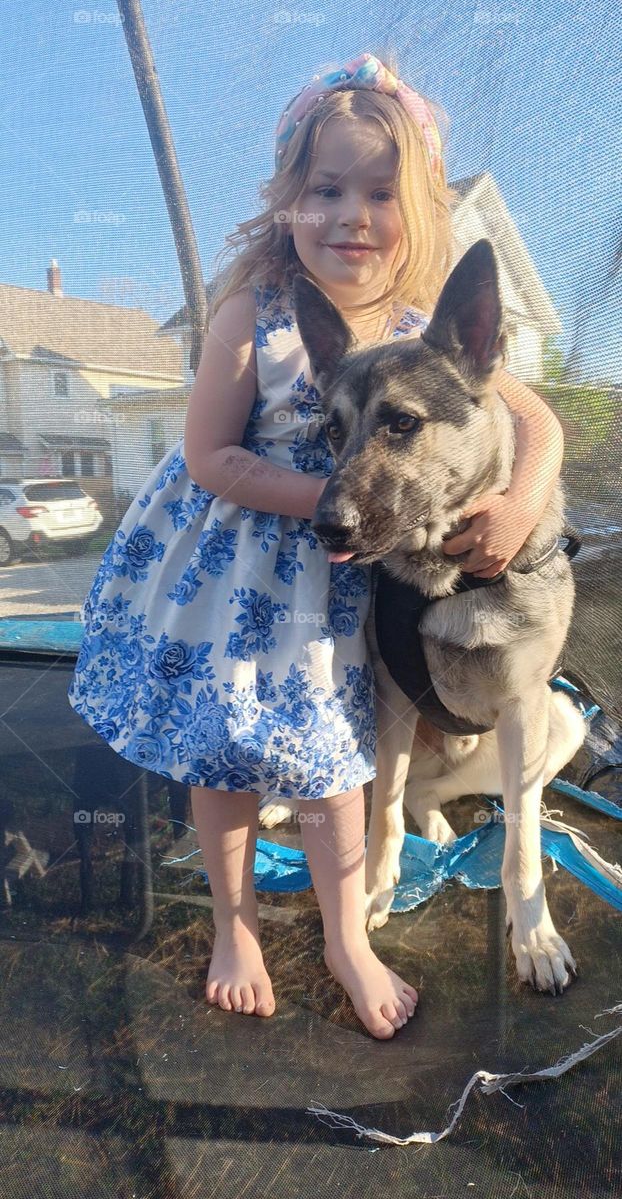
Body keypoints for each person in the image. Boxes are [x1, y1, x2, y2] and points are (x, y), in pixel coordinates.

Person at [68, 51, 565, 1040]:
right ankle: (235, 924)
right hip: (239, 577)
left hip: (341, 592)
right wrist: (335, 500)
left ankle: (347, 936)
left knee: (341, 765)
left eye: (378, 191)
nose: (350, 213)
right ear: (286, 199)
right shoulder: (253, 315)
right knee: (226, 760)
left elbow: (539, 423)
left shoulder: (423, 329)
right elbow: (209, 455)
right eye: (324, 187)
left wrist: (514, 506)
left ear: (414, 207)